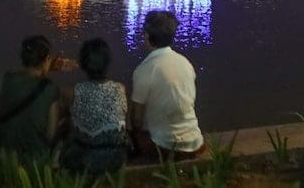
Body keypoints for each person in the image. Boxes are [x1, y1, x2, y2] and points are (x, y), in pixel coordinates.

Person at [130, 11, 205, 161]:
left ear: (146, 36)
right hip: (195, 142)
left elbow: (136, 121)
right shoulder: (185, 63)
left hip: (164, 145)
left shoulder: (145, 69)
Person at [0, 35, 63, 159]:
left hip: (1, 152)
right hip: (33, 157)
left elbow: (26, 79)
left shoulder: (7, 78)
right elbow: (50, 135)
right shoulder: (51, 88)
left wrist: (45, 67)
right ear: (47, 59)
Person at [60, 38, 128, 175]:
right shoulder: (120, 89)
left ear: (84, 65)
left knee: (65, 127)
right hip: (115, 158)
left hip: (83, 159)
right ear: (107, 63)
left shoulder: (70, 92)